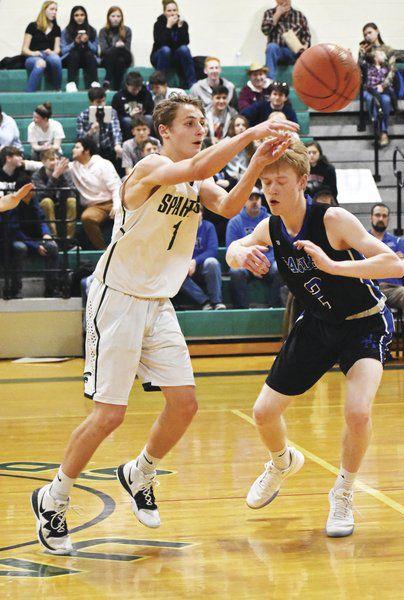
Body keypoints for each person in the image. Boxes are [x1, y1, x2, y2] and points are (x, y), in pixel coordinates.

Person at [30, 93, 298, 555]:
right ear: (165, 131)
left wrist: (256, 162)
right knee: (109, 415)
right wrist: (251, 133)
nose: (199, 129)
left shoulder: (197, 179)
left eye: (202, 123)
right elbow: (194, 168)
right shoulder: (150, 167)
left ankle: (140, 472)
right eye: (190, 123)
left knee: (184, 404)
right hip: (118, 299)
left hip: (158, 301)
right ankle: (53, 498)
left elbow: (229, 206)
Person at [226, 137, 404, 537]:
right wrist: (240, 255)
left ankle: (343, 492)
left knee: (357, 412)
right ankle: (282, 462)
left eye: (281, 181)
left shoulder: (332, 220)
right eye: (266, 182)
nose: (271, 190)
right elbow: (234, 247)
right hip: (319, 323)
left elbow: (394, 264)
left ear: (302, 181)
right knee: (263, 413)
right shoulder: (270, 227)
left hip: (364, 323)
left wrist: (332, 266)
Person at [369, 203, 404, 363]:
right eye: (377, 215)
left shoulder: (397, 241)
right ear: (371, 217)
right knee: (362, 296)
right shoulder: (362, 238)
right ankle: (378, 350)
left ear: (388, 219)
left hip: (394, 288)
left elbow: (403, 268)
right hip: (371, 287)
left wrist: (375, 262)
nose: (381, 218)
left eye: (384, 216)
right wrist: (391, 261)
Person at [226, 187, 282, 309]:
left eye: (257, 198)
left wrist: (261, 263)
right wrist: (252, 265)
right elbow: (232, 249)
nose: (255, 201)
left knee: (280, 268)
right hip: (244, 264)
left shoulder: (270, 220)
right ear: (244, 201)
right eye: (251, 198)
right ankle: (242, 309)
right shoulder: (234, 222)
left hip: (267, 263)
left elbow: (277, 248)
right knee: (236, 272)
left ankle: (274, 307)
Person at [6, 174, 60, 298]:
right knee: (20, 248)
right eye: (31, 186)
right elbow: (15, 231)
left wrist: (46, 233)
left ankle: (51, 289)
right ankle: (15, 289)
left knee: (52, 246)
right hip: (18, 239)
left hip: (35, 238)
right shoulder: (13, 204)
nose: (34, 188)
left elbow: (42, 219)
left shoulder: (34, 200)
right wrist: (35, 246)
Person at [67, 137, 121, 249]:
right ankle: (102, 249)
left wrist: (117, 205)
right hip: (94, 207)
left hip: (111, 201)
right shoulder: (73, 167)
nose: (73, 150)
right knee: (87, 217)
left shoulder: (103, 164)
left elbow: (116, 187)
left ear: (86, 151)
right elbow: (45, 165)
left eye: (77, 147)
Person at [178, 206, 225, 310]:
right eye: (192, 212)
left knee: (212, 262)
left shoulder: (208, 227)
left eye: (197, 211)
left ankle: (216, 302)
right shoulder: (181, 228)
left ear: (202, 213)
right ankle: (205, 302)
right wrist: (187, 264)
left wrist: (195, 261)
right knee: (174, 271)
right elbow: (177, 252)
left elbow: (212, 250)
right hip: (186, 270)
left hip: (203, 267)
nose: (195, 215)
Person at [150, 0, 196, 89]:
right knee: (166, 50)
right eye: (169, 11)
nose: (172, 13)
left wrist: (180, 28)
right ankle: (159, 83)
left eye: (174, 10)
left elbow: (185, 42)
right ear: (164, 12)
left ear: (177, 11)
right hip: (160, 56)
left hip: (175, 57)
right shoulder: (158, 24)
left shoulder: (182, 24)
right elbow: (161, 43)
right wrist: (168, 26)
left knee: (184, 49)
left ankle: (192, 83)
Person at [32, 148, 77, 240]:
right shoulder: (37, 175)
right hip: (46, 207)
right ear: (43, 161)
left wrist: (61, 176)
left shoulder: (66, 172)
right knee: (47, 201)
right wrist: (54, 176)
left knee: (72, 201)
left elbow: (71, 193)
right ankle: (53, 237)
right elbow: (42, 196)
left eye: (57, 159)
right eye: (52, 159)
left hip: (62, 205)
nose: (56, 162)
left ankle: (69, 239)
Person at [261, 1, 311, 80]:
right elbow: (265, 31)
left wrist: (304, 46)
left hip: (293, 53)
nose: (285, 2)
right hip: (277, 52)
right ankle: (270, 81)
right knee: (271, 47)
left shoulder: (299, 15)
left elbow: (307, 37)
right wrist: (277, 15)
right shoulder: (269, 13)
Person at [21, 1, 62, 93]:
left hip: (48, 55)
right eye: (52, 9)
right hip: (33, 56)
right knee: (40, 63)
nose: (54, 12)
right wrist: (34, 53)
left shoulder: (56, 28)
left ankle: (57, 89)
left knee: (56, 59)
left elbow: (57, 49)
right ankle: (29, 93)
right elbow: (24, 49)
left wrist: (52, 52)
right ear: (44, 10)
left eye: (56, 10)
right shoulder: (32, 26)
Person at [76, 87, 123, 165]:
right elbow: (80, 139)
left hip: (108, 149)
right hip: (90, 151)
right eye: (98, 102)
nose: (102, 104)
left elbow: (116, 130)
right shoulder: (83, 115)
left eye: (103, 101)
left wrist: (117, 144)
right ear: (91, 102)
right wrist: (90, 132)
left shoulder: (111, 112)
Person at [61, 5, 99, 92]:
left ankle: (94, 83)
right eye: (76, 15)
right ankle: (71, 83)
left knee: (88, 54)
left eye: (82, 15)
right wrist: (75, 43)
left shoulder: (92, 30)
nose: (79, 17)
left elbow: (95, 50)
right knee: (74, 53)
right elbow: (63, 51)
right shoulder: (66, 31)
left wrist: (87, 42)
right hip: (71, 59)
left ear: (85, 16)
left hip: (87, 58)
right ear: (72, 17)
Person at [364, 49, 394, 147]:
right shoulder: (369, 67)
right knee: (373, 101)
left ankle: (380, 131)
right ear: (376, 58)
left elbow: (390, 82)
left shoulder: (386, 68)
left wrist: (383, 86)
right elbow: (369, 83)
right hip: (371, 91)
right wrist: (377, 87)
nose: (384, 56)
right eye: (381, 54)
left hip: (383, 91)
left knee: (386, 100)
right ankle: (383, 133)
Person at [112, 71, 154, 140]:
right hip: (127, 119)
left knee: (149, 118)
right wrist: (130, 115)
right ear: (127, 85)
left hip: (142, 118)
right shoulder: (118, 96)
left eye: (138, 89)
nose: (136, 91)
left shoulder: (146, 94)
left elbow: (151, 110)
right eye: (134, 89)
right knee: (127, 121)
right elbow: (115, 115)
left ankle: (149, 140)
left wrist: (142, 113)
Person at [99, 6, 133, 90]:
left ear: (121, 18)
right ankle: (117, 88)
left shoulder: (127, 30)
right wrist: (115, 47)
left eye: (118, 16)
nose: (116, 19)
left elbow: (127, 50)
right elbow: (104, 51)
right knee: (119, 60)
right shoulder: (103, 31)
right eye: (113, 16)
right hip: (108, 59)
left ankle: (107, 80)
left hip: (125, 56)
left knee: (120, 55)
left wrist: (121, 46)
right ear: (108, 17)